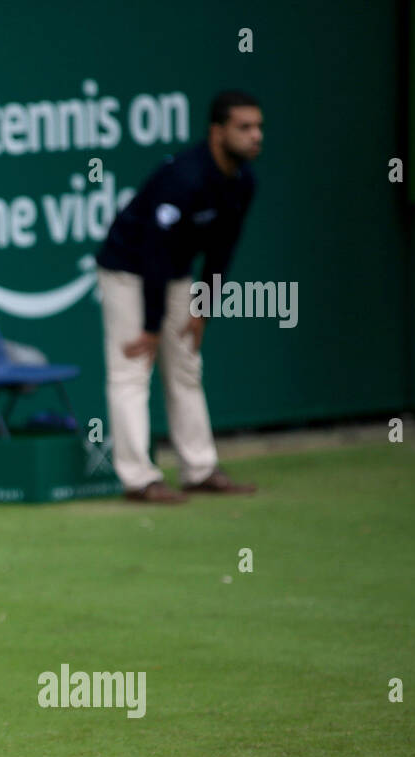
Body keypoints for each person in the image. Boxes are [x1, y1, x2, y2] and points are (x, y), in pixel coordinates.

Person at [95, 90, 263, 503]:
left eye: (259, 127)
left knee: (186, 363)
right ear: (217, 132)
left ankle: (200, 468)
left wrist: (203, 308)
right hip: (129, 269)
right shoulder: (183, 179)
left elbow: (223, 249)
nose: (256, 136)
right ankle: (139, 479)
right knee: (131, 369)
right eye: (244, 128)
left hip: (174, 273)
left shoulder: (243, 183)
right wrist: (151, 328)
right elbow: (153, 251)